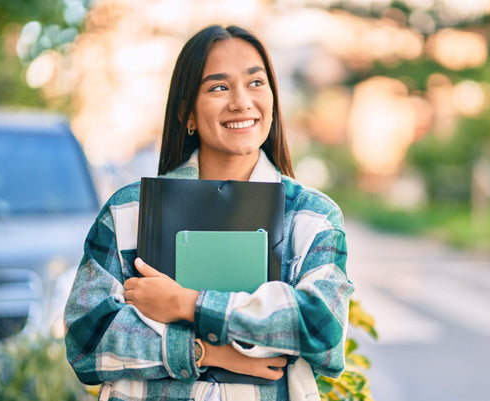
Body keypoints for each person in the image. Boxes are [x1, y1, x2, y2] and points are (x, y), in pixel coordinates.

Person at [64, 24, 354, 401]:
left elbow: (321, 328)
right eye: (218, 87)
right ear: (187, 112)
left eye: (255, 83)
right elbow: (86, 341)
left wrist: (184, 303)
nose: (241, 102)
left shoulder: (311, 217)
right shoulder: (129, 211)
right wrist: (206, 352)